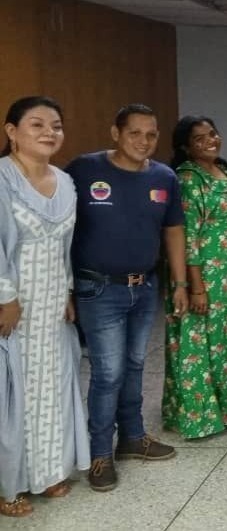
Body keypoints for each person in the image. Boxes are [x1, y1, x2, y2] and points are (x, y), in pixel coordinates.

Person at [66, 103, 188, 491]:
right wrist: (63, 286)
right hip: (98, 288)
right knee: (108, 373)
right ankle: (99, 452)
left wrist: (181, 284)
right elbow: (62, 229)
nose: (144, 141)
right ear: (116, 133)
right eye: (134, 132)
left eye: (151, 134)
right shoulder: (83, 170)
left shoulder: (165, 177)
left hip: (145, 285)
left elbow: (173, 232)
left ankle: (133, 438)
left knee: (135, 365)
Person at [0, 96, 89, 516]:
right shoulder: (2, 179)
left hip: (52, 301)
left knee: (50, 384)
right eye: (36, 125)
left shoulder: (65, 181)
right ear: (11, 131)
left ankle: (49, 469)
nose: (49, 132)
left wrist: (68, 291)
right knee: (11, 391)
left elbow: (65, 246)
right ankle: (8, 485)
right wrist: (6, 299)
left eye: (55, 125)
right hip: (13, 304)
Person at [162, 115, 227, 439]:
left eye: (212, 133)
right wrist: (195, 287)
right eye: (199, 138)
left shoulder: (221, 169)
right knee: (198, 345)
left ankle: (225, 408)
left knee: (223, 343)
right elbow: (188, 237)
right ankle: (199, 416)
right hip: (203, 276)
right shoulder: (188, 177)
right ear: (186, 146)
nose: (210, 140)